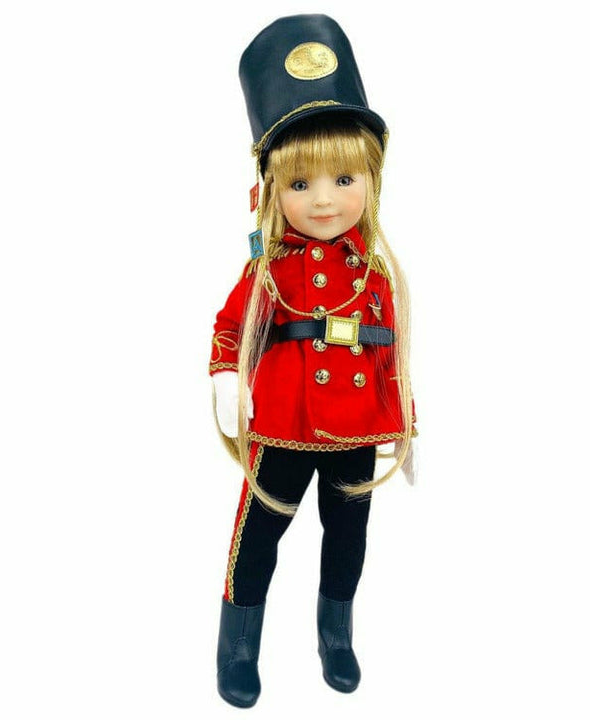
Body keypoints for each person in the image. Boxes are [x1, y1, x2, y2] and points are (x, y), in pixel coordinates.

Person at [209, 15, 416, 708]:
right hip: (285, 422)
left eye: (343, 177)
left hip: (357, 426)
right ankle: (237, 646)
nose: (324, 199)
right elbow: (231, 325)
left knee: (349, 535)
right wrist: (224, 379)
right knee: (260, 534)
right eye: (300, 184)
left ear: (371, 179)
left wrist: (405, 420)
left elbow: (392, 350)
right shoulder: (271, 266)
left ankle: (336, 634)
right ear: (272, 188)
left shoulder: (374, 274)